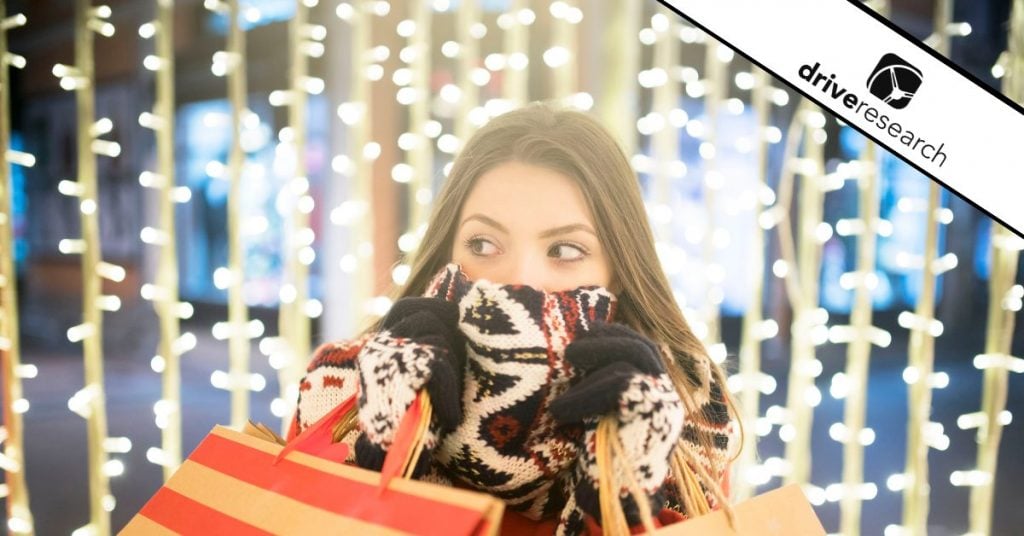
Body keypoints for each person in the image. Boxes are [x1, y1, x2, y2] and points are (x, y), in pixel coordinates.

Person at [288, 102, 739, 535]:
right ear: (449, 250)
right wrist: (388, 450)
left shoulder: (686, 409)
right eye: (483, 244)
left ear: (617, 274)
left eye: (565, 251)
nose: (519, 281)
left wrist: (627, 502)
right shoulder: (346, 382)